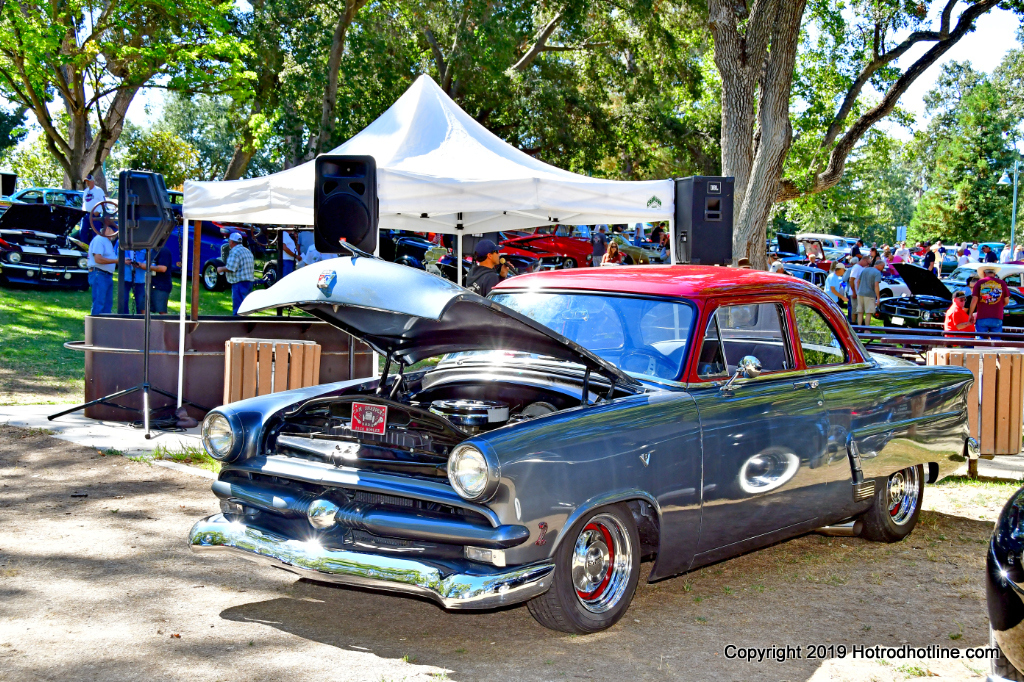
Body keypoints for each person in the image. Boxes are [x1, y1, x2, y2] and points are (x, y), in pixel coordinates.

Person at [218, 232, 255, 315]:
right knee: (246, 309)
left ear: (231, 242)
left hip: (239, 284)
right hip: (249, 283)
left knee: (238, 310)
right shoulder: (247, 251)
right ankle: (246, 326)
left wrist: (221, 269)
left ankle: (237, 326)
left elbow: (231, 268)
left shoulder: (234, 252)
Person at [969, 264, 1010, 337]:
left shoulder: (979, 282)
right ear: (994, 274)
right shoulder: (1002, 283)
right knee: (996, 342)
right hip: (997, 316)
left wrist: (970, 314)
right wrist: (997, 306)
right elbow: (1007, 301)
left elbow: (974, 300)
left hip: (982, 316)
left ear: (984, 273)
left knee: (980, 342)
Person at [86, 224, 117, 315]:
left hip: (106, 275)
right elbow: (98, 259)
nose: (116, 234)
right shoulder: (99, 240)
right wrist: (117, 260)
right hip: (99, 274)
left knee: (107, 304)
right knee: (99, 303)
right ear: (107, 229)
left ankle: (105, 326)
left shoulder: (107, 241)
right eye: (114, 231)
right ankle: (95, 327)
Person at [78, 174, 106, 244]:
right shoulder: (85, 191)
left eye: (89, 181)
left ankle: (95, 250)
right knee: (82, 231)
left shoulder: (99, 190)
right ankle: (85, 247)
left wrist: (98, 211)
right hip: (86, 214)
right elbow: (84, 202)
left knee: (95, 233)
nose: (87, 183)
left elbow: (104, 203)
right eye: (86, 181)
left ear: (93, 181)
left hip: (95, 216)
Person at [856, 259, 883, 326]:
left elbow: (858, 281)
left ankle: (859, 328)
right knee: (869, 312)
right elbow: (876, 285)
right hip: (870, 294)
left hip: (860, 293)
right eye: (883, 266)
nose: (883, 268)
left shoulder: (865, 270)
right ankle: (866, 329)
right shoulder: (877, 273)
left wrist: (858, 290)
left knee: (860, 312)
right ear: (879, 265)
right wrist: (878, 298)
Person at [149, 244, 173, 314]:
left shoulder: (164, 251)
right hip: (152, 284)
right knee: (143, 307)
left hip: (162, 285)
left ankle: (166, 324)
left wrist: (145, 266)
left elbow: (163, 268)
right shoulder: (152, 250)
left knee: (161, 311)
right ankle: (147, 324)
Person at [122, 248, 148, 314]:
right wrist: (122, 260)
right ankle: (124, 319)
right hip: (125, 277)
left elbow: (150, 259)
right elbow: (115, 256)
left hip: (139, 278)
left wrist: (141, 264)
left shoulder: (145, 244)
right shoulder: (121, 242)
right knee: (123, 301)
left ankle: (140, 321)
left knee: (140, 303)